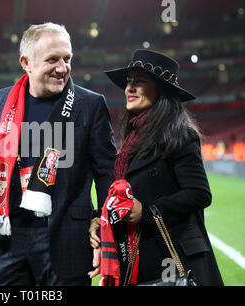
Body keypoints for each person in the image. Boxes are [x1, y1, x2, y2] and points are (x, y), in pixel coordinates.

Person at [0, 22, 116, 285]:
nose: (62, 68)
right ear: (26, 62)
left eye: (67, 59)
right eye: (52, 59)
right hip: (8, 235)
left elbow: (108, 173)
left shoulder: (90, 104)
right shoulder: (0, 100)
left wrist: (104, 222)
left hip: (66, 240)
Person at [93, 49, 223, 285]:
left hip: (175, 259)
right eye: (128, 82)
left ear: (160, 90)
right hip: (138, 259)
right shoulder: (131, 143)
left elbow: (199, 193)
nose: (129, 88)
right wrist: (98, 219)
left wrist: (148, 211)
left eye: (139, 82)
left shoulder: (180, 136)